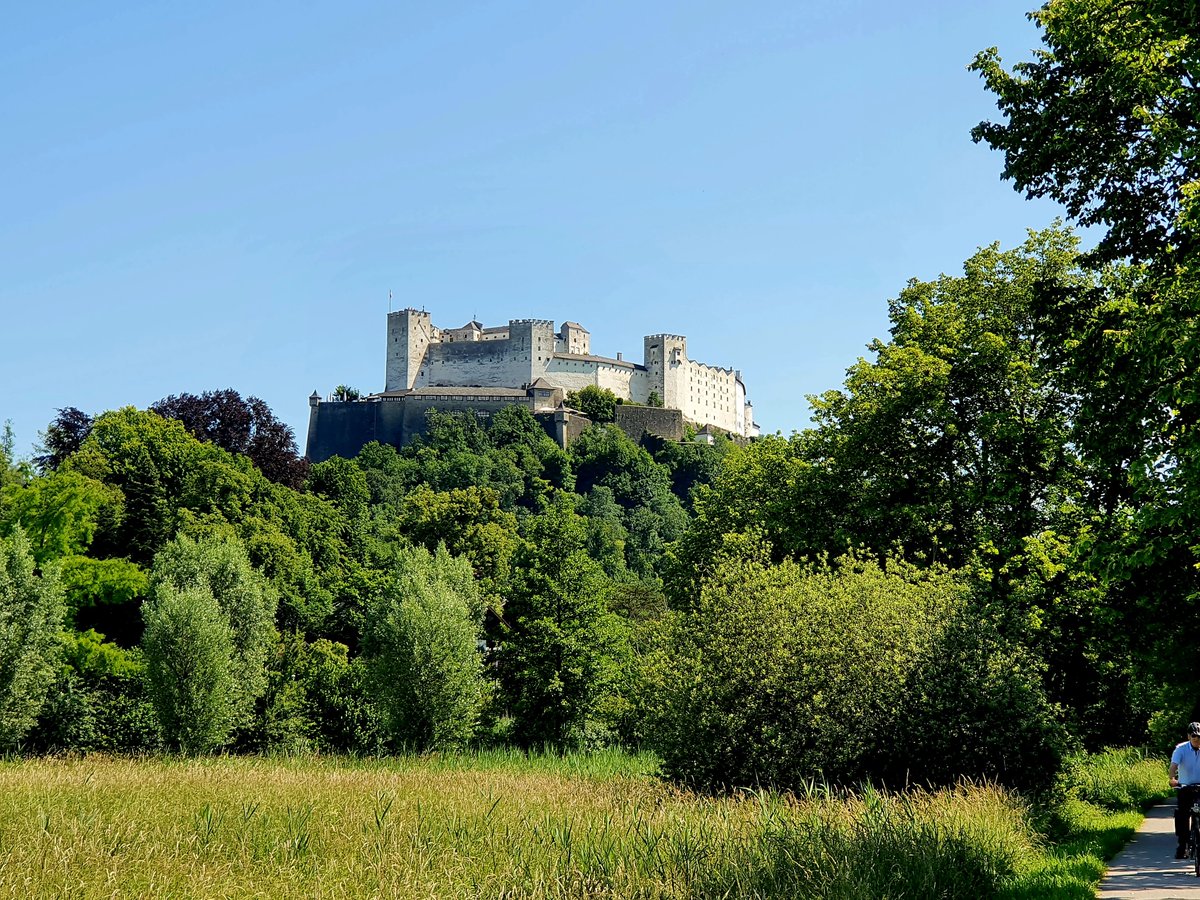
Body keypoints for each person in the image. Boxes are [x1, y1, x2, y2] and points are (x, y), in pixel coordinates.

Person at [1169, 722, 1200, 858]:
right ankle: (1183, 846)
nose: (1196, 739)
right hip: (1185, 786)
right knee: (1182, 815)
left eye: (1199, 736)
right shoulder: (1180, 749)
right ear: (1188, 736)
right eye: (1194, 736)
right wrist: (1172, 779)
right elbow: (1173, 766)